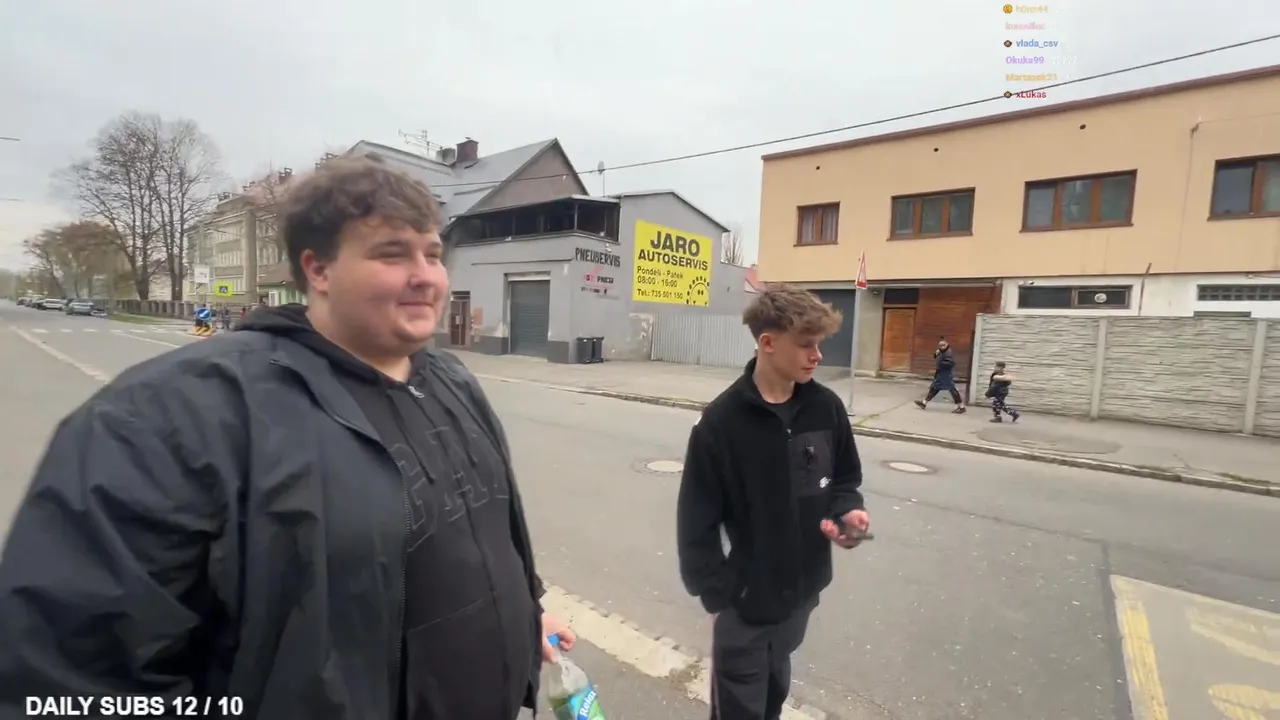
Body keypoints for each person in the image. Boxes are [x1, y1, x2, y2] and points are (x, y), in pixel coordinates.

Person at [0, 157, 574, 720]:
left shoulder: (451, 380)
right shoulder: (169, 415)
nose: (425, 275)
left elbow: (480, 531)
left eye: (432, 254)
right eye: (392, 254)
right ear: (318, 270)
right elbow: (70, 679)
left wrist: (528, 608)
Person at [677, 284, 869, 720]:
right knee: (740, 710)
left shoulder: (826, 408)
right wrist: (721, 594)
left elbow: (844, 478)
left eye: (819, 344)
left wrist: (846, 512)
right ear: (767, 342)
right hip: (745, 606)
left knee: (774, 692)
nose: (817, 356)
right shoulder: (720, 424)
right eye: (806, 345)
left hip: (801, 596)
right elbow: (696, 524)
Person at [914, 337, 966, 414]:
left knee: (952, 389)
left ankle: (961, 406)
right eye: (940, 345)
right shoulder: (942, 352)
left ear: (947, 344)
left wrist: (941, 362)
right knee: (935, 388)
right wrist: (936, 354)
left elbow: (950, 363)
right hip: (941, 373)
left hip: (946, 374)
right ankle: (924, 402)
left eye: (943, 345)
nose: (941, 347)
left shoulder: (948, 353)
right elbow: (937, 358)